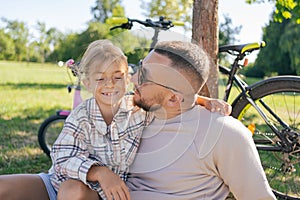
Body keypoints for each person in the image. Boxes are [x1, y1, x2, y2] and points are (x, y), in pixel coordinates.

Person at [0, 39, 230, 200]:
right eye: (100, 79)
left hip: (93, 194)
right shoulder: (81, 116)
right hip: (55, 183)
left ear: (128, 79)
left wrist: (203, 101)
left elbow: (169, 94)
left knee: (73, 191)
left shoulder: (138, 110)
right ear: (87, 83)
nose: (110, 85)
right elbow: (61, 156)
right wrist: (100, 171)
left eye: (117, 77)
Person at [126, 40, 276, 200]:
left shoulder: (223, 134)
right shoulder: (134, 112)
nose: (133, 79)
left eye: (144, 76)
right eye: (140, 67)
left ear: (173, 99)